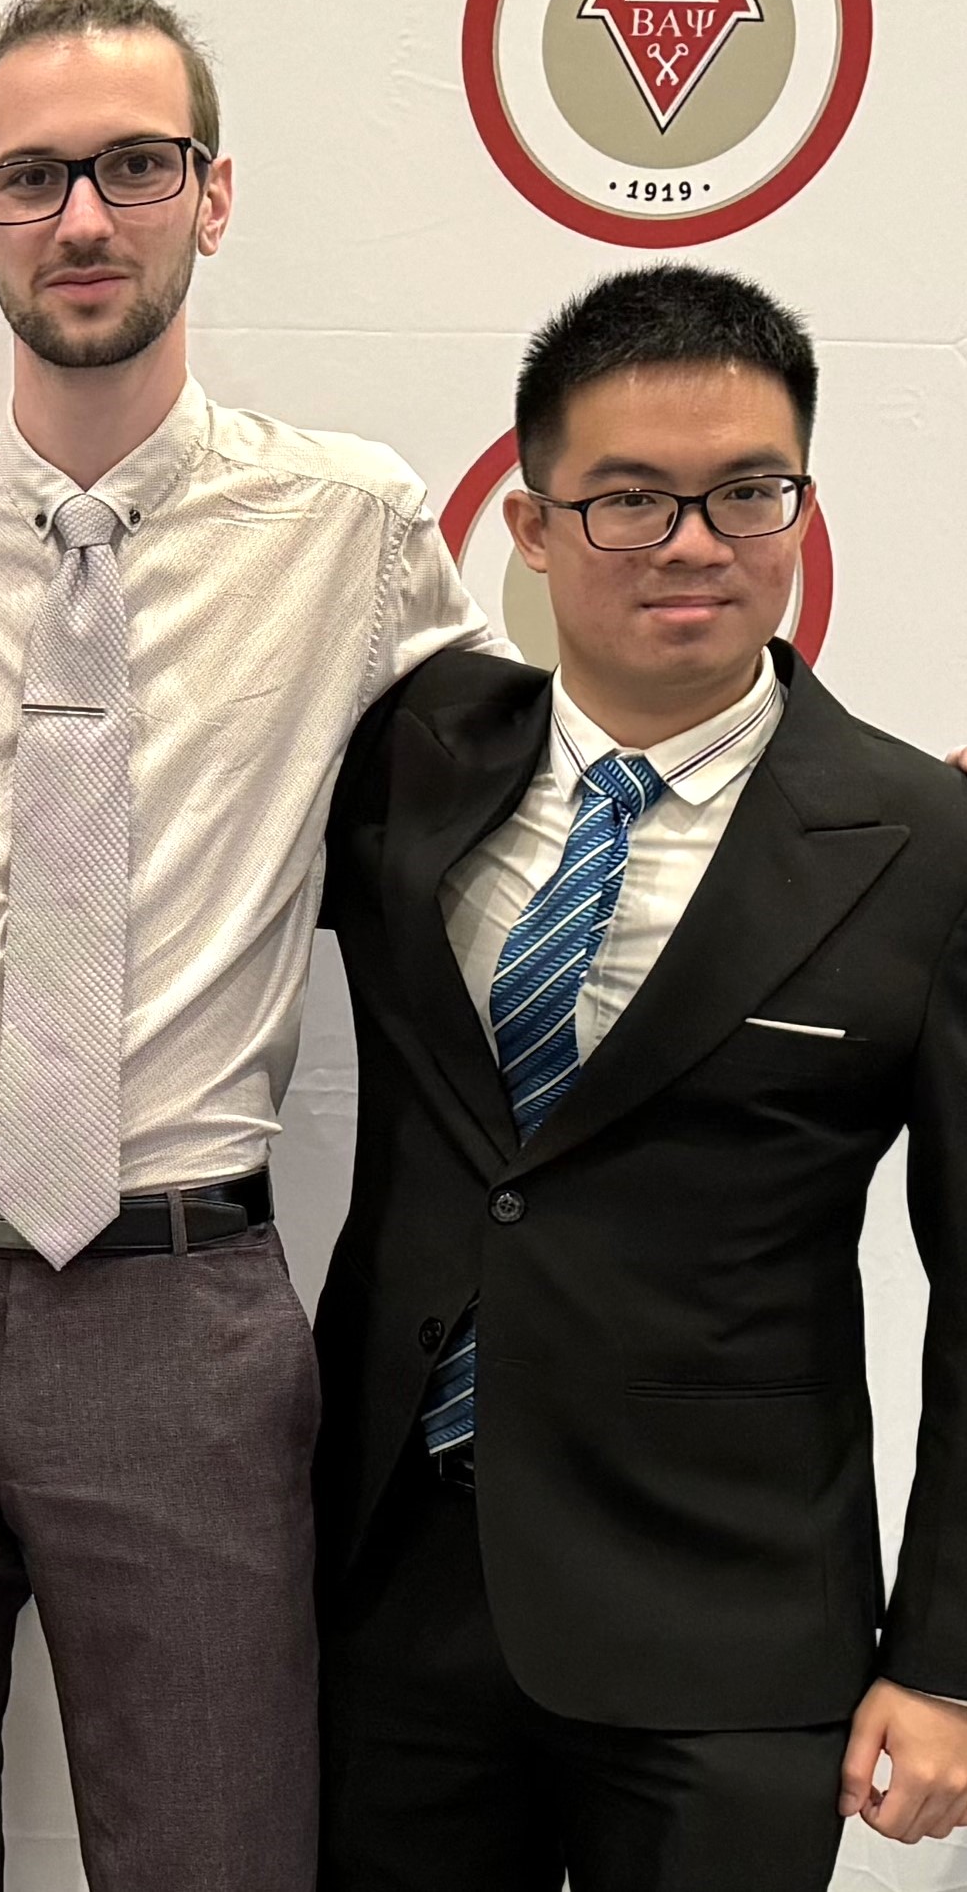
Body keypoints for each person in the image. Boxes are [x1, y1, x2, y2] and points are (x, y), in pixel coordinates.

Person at [0, 0, 498, 1891]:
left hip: (180, 1313)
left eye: (135, 167)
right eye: (35, 177)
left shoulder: (351, 528)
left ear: (212, 197)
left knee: (217, 1856)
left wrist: (827, 803)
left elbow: (511, 838)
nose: (83, 217)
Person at [308, 265, 967, 1887]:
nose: (692, 543)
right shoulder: (396, 757)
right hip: (390, 1586)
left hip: (730, 1628)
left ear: (802, 507)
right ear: (531, 532)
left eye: (747, 492)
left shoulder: (928, 849)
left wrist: (946, 1654)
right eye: (628, 501)